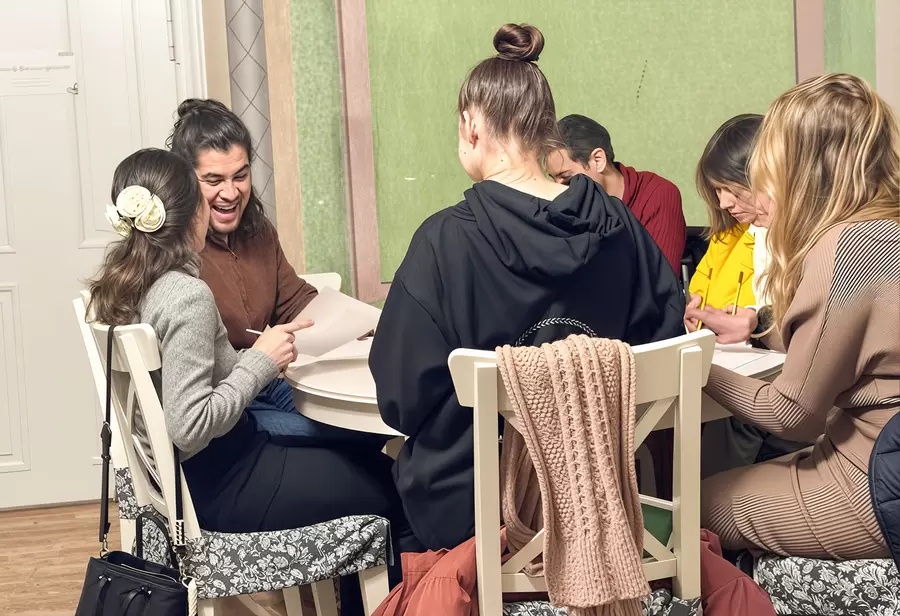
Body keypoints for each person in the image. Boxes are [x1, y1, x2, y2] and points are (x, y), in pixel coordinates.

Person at [369, 24, 686, 551]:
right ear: (547, 132)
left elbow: (399, 400)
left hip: (483, 520)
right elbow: (665, 341)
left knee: (395, 500)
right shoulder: (619, 225)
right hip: (603, 507)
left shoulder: (444, 242)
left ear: (472, 126)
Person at [87, 150, 411, 608]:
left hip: (190, 487)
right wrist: (259, 361)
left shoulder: (130, 286)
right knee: (399, 486)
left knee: (360, 455)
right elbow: (189, 425)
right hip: (225, 484)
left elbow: (190, 378)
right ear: (193, 214)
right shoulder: (186, 296)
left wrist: (255, 357)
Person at [700, 74, 900, 559]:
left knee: (699, 503)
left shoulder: (850, 247)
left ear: (804, 169)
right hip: (879, 454)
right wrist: (758, 325)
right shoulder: (885, 230)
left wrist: (695, 366)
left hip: (875, 476)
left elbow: (791, 414)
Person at [168, 99, 381, 447]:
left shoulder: (258, 231)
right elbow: (192, 404)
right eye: (213, 180)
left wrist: (362, 323)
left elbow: (297, 302)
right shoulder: (178, 257)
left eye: (241, 175)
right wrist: (260, 359)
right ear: (185, 183)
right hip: (225, 409)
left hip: (266, 387)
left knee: (368, 432)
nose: (231, 192)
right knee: (354, 440)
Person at [685, 114, 808, 478]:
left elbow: (807, 335)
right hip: (780, 382)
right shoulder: (759, 232)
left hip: (802, 399)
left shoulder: (812, 239)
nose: (724, 203)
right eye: (717, 192)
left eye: (733, 191)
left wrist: (756, 324)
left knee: (733, 420)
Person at [547, 114, 686, 277]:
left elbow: (660, 283)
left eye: (567, 179)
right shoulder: (567, 210)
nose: (559, 190)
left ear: (598, 160)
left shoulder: (657, 194)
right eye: (553, 180)